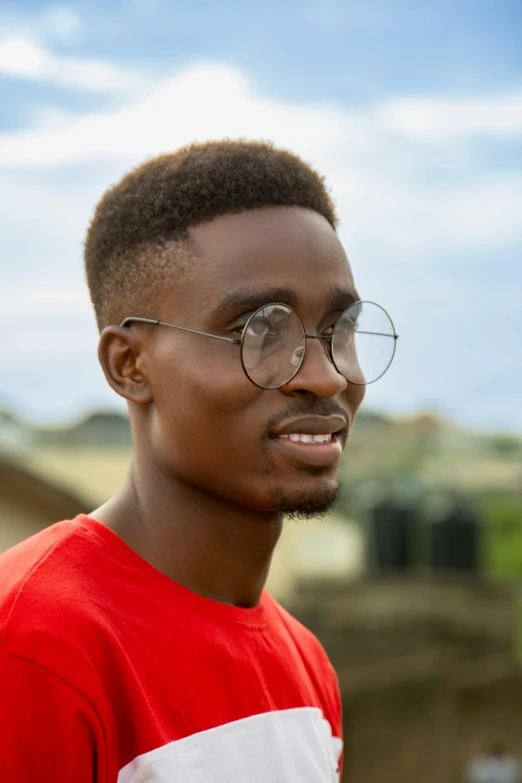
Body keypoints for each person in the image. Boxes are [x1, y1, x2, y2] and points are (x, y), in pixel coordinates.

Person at [0, 140, 397, 781]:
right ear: (130, 366)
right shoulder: (35, 647)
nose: (326, 377)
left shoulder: (306, 665)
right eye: (261, 332)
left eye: (340, 330)